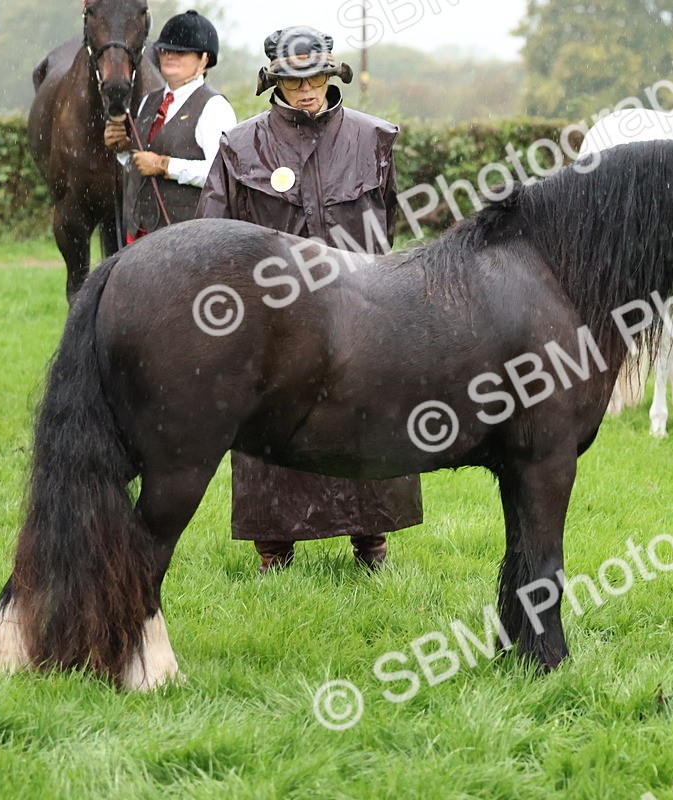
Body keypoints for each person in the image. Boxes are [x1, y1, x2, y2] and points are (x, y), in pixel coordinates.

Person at [197, 26, 422, 573]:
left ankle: (372, 545)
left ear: (331, 75)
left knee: (366, 422)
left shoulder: (375, 138)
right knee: (272, 424)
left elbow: (390, 224)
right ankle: (274, 551)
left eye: (316, 77)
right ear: (274, 80)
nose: (306, 90)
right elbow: (211, 235)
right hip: (274, 318)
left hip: (361, 308)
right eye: (294, 80)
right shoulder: (239, 145)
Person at [104, 10, 236, 241]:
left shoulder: (214, 106)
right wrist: (123, 149)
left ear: (204, 59)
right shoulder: (149, 100)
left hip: (187, 238)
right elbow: (140, 163)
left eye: (182, 52)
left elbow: (221, 174)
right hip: (139, 233)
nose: (170, 56)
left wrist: (165, 165)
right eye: (166, 49)